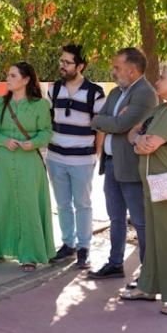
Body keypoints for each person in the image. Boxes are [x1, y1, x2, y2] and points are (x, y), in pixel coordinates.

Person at [120, 60, 167, 316]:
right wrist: (137, 139)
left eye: (162, 77)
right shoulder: (162, 109)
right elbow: (134, 132)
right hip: (153, 183)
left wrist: (139, 140)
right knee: (153, 238)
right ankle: (148, 286)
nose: (157, 81)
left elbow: (149, 143)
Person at [88, 47, 158, 284]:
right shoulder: (117, 92)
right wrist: (110, 121)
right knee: (115, 218)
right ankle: (116, 263)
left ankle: (148, 272)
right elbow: (99, 120)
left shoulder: (145, 93)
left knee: (140, 221)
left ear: (132, 69)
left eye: (117, 67)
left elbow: (121, 124)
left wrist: (110, 122)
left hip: (131, 167)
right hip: (110, 165)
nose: (113, 71)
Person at [0, 62, 54, 271]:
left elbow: (46, 132)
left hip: (30, 163)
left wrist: (35, 143)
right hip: (3, 161)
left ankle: (30, 254)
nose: (8, 79)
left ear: (26, 80)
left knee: (29, 206)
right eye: (8, 75)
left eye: (13, 75)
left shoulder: (41, 105)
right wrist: (4, 140)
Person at [46, 45, 106, 268]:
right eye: (61, 61)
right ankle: (68, 244)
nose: (62, 66)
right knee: (62, 205)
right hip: (55, 157)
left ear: (80, 66)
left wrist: (95, 151)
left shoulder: (95, 92)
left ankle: (84, 247)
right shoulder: (53, 90)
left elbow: (100, 126)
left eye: (67, 62)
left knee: (82, 204)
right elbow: (49, 119)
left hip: (82, 158)